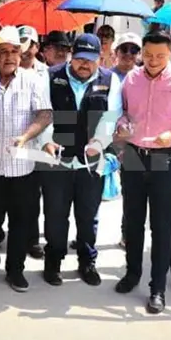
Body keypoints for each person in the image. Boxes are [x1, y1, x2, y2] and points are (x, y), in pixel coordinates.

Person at [114, 31, 171, 314]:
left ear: (170, 54)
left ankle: (158, 288)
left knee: (161, 225)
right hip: (134, 157)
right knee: (132, 221)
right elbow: (123, 111)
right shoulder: (132, 78)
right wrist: (123, 122)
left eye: (160, 56)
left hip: (165, 157)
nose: (153, 61)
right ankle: (132, 274)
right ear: (142, 52)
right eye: (148, 55)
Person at [0, 27, 52, 292]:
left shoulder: (33, 80)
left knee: (21, 221)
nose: (9, 57)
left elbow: (44, 115)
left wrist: (25, 137)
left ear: (21, 53)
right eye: (3, 52)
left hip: (23, 166)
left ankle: (16, 270)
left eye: (14, 51)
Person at [39, 32, 121, 286]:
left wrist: (99, 142)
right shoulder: (51, 76)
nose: (84, 65)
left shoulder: (110, 80)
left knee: (88, 215)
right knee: (55, 214)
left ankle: (87, 261)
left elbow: (111, 116)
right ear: (71, 56)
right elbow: (43, 112)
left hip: (91, 160)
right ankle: (53, 261)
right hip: (58, 159)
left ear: (100, 58)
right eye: (80, 59)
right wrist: (46, 140)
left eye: (91, 59)